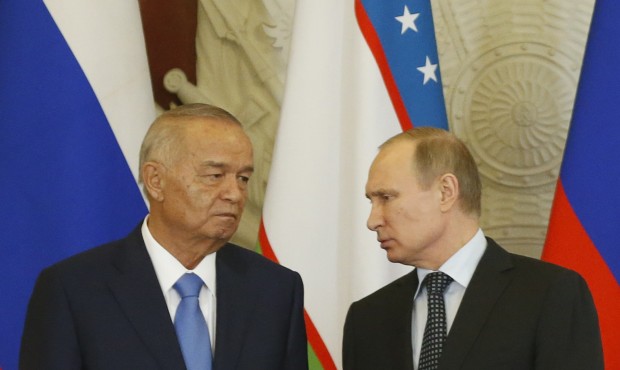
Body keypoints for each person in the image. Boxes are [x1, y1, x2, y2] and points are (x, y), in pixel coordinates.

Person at [20, 103, 309, 370]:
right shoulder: (73, 290)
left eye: (243, 178)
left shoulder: (276, 290)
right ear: (156, 181)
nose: (234, 194)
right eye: (215, 176)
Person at [342, 127, 603, 370]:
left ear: (446, 192)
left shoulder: (550, 294)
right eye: (371, 201)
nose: (372, 220)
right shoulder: (366, 319)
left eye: (386, 198)